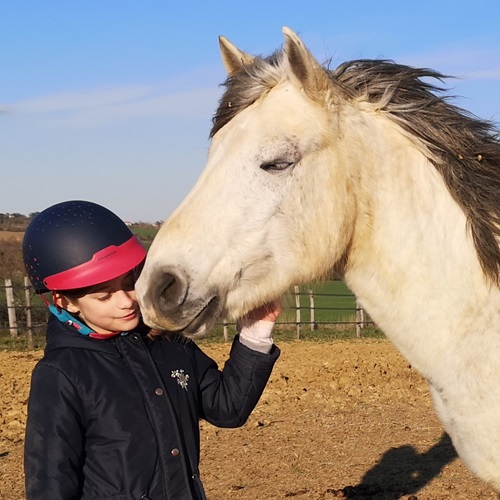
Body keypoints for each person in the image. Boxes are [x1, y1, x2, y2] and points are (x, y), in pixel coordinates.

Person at [22, 200, 281, 500]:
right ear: (64, 303)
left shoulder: (168, 343)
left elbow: (228, 409)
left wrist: (255, 331)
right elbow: (50, 483)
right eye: (105, 296)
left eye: (129, 282)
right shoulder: (62, 374)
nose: (126, 301)